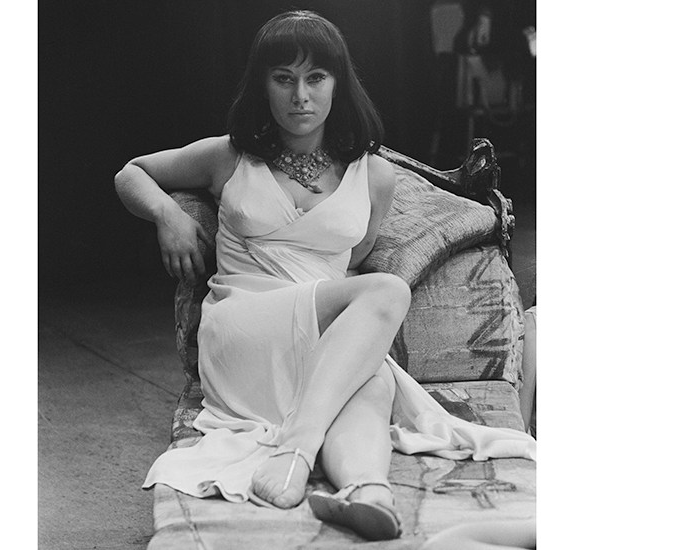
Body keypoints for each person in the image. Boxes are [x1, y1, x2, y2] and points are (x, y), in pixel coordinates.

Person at [115, 10, 535, 542]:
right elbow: (131, 172)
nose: (300, 96)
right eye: (283, 78)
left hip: (319, 326)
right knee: (387, 290)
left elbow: (351, 261)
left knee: (373, 381)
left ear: (338, 84)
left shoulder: (374, 175)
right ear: (262, 85)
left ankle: (367, 492)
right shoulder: (229, 156)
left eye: (316, 78)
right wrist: (168, 216)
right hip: (246, 324)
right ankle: (296, 447)